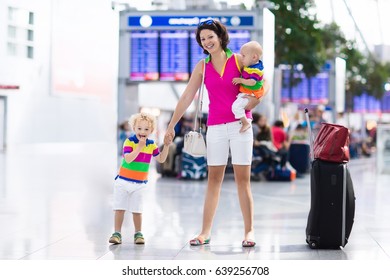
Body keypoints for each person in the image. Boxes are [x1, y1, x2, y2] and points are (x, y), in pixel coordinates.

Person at [165, 19, 269, 248]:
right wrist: (171, 125)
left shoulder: (240, 60)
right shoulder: (202, 66)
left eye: (210, 36)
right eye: (203, 39)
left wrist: (252, 103)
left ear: (220, 37)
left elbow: (264, 82)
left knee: (243, 180)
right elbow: (186, 97)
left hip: (240, 126)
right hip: (216, 127)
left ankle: (249, 231)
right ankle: (205, 232)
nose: (207, 41)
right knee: (213, 180)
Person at [109, 112, 171, 245]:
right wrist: (139, 147)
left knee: (137, 210)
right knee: (119, 208)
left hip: (139, 184)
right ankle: (117, 233)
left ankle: (138, 233)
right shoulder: (129, 142)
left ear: (151, 131)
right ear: (134, 128)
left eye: (146, 129)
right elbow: (128, 158)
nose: (142, 132)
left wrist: (166, 146)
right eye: (139, 128)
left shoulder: (151, 144)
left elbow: (161, 159)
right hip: (123, 181)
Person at [232, 41, 265, 133]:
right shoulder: (250, 65)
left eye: (243, 56)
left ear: (254, 57)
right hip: (246, 93)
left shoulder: (256, 70)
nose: (241, 58)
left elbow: (252, 82)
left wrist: (240, 80)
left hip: (251, 94)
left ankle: (245, 122)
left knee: (236, 107)